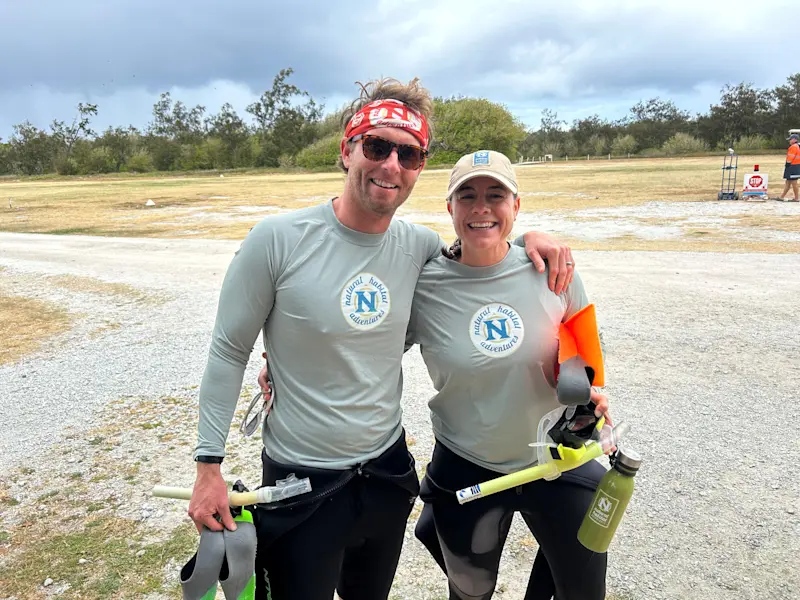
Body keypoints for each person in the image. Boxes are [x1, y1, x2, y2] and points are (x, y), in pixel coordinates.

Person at [189, 77, 576, 600]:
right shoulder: (276, 240)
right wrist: (208, 466)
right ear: (348, 150)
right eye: (377, 146)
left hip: (387, 476)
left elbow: (479, 248)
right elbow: (227, 351)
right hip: (302, 480)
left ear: (419, 168)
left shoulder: (417, 247)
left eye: (409, 154)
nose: (391, 165)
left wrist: (532, 238)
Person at [406, 150, 610, 600]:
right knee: (469, 590)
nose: (481, 207)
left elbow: (585, 360)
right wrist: (279, 365)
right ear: (450, 209)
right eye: (468, 195)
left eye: (495, 195)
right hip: (466, 461)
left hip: (555, 459)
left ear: (516, 207)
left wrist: (592, 392)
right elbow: (365, 349)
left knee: (581, 589)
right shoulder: (425, 286)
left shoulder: (554, 271)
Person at [777, 133, 800, 202]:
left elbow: (790, 157)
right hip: (795, 166)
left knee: (794, 182)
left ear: (794, 139)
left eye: (790, 139)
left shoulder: (793, 147)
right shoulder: (798, 146)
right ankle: (782, 196)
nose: (789, 141)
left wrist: (787, 164)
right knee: (788, 182)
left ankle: (796, 198)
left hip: (793, 166)